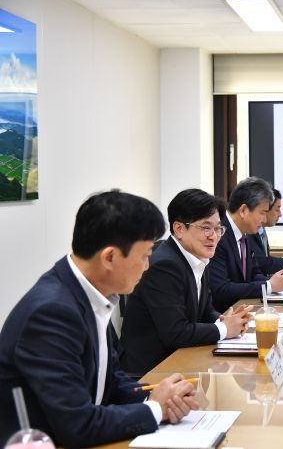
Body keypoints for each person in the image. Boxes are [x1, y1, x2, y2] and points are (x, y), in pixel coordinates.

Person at [0, 190, 199, 448]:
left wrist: (162, 397)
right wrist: (156, 409)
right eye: (144, 255)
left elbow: (111, 380)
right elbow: (77, 425)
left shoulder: (89, 292)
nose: (147, 266)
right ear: (110, 257)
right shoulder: (51, 312)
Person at [119, 189, 253, 375]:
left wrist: (222, 319)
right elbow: (175, 332)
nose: (214, 236)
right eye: (206, 227)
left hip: (180, 360)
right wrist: (224, 329)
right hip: (150, 372)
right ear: (179, 229)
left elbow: (205, 310)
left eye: (218, 228)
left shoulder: (197, 256)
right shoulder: (165, 265)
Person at [209, 177, 283, 311]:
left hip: (242, 310)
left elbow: (254, 273)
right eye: (262, 213)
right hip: (223, 314)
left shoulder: (245, 232)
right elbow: (221, 289)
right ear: (243, 210)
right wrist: (268, 286)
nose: (264, 220)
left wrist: (275, 284)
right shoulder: (218, 234)